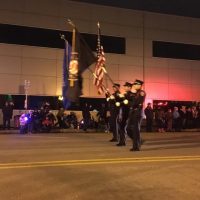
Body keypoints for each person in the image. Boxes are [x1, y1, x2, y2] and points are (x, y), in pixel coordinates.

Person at [127, 79, 146, 151]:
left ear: (140, 85)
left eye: (136, 84)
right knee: (128, 129)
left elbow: (137, 102)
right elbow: (127, 100)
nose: (134, 85)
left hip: (138, 113)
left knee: (135, 130)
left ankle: (136, 146)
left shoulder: (142, 92)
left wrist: (129, 102)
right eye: (134, 84)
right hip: (132, 113)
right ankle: (138, 140)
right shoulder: (133, 93)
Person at [117, 82, 135, 146]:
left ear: (130, 87)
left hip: (129, 113)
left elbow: (132, 103)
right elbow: (120, 101)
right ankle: (122, 141)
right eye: (124, 86)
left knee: (128, 129)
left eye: (126, 86)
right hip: (123, 113)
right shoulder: (124, 94)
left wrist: (125, 100)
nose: (125, 87)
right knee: (121, 127)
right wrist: (120, 99)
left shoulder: (132, 94)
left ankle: (137, 140)